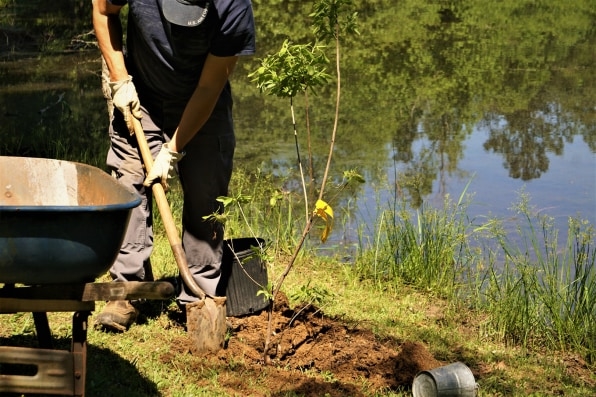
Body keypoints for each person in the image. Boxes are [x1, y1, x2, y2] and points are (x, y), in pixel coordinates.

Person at [92, 0, 256, 331]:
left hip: (202, 103)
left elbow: (210, 87)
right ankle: (125, 292)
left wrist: (172, 151)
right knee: (128, 185)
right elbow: (102, 10)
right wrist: (120, 79)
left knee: (205, 197)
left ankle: (199, 297)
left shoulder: (234, 8)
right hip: (141, 95)